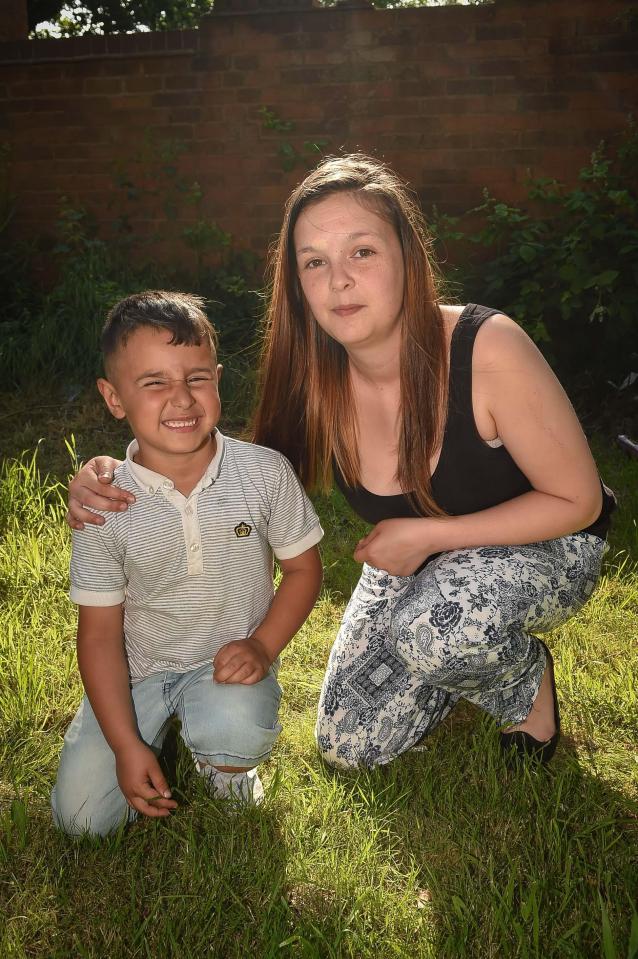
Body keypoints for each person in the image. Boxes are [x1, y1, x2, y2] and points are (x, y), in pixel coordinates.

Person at [67, 156, 614, 774]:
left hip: (548, 543)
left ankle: (522, 682)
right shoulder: (314, 380)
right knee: (350, 746)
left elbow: (578, 501)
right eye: (315, 262)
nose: (338, 281)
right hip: (415, 562)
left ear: (407, 255)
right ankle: (448, 646)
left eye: (362, 252)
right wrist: (109, 473)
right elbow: (221, 461)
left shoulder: (486, 347)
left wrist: (430, 535)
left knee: (432, 635)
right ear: (297, 282)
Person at [53, 290, 323, 836]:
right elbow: (100, 636)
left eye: (196, 378)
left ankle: (226, 765)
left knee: (236, 723)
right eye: (154, 383)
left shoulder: (264, 472)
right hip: (138, 674)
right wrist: (127, 746)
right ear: (114, 397)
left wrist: (262, 645)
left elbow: (304, 570)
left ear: (218, 380)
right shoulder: (104, 503)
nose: (181, 399)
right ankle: (145, 735)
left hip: (227, 664)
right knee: (82, 821)